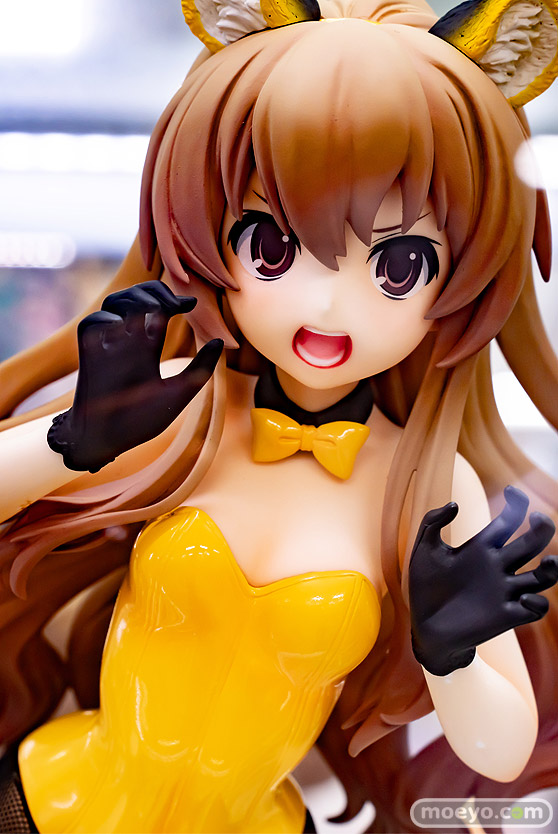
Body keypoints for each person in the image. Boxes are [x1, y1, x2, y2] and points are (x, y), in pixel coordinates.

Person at [1, 0, 558, 830]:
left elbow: (502, 752)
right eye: (272, 246)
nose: (326, 305)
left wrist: (454, 654)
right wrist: (69, 443)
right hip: (53, 804)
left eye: (400, 265)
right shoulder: (180, 405)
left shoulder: (429, 484)